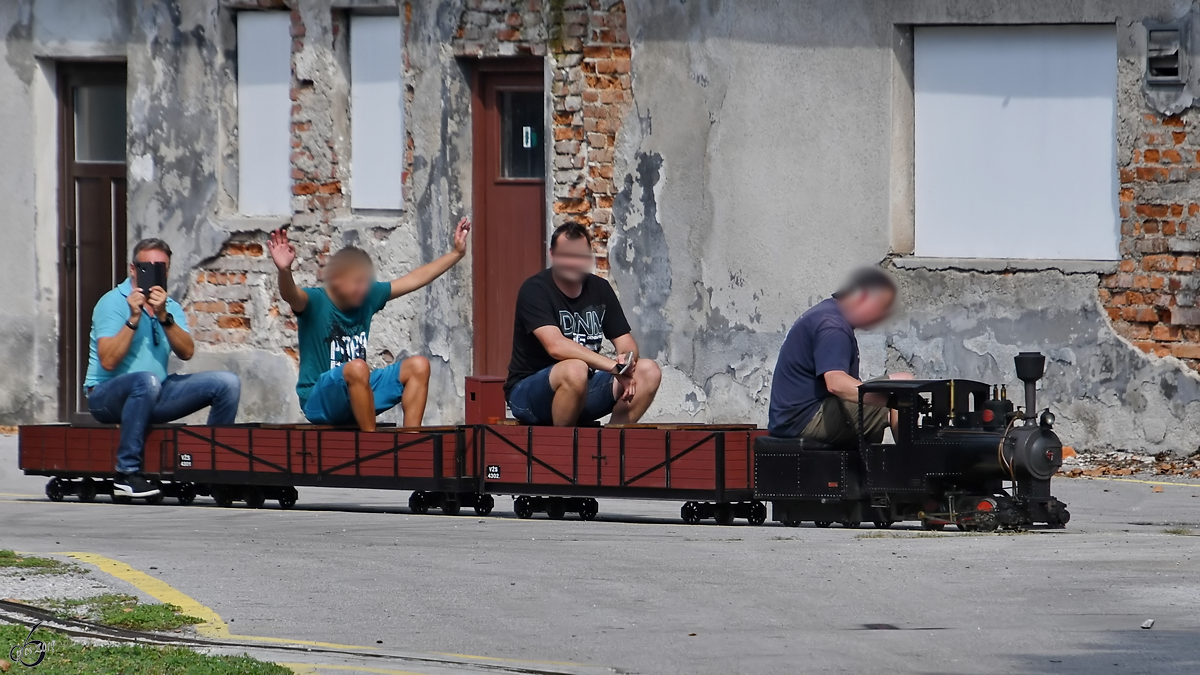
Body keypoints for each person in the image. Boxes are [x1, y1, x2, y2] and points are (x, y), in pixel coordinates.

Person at [268, 218, 470, 430]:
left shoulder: (367, 295)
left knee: (419, 366)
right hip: (319, 399)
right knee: (357, 368)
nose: (362, 290)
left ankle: (411, 441)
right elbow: (291, 294)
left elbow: (414, 279)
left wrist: (456, 254)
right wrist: (284, 271)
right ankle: (371, 444)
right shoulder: (316, 301)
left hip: (357, 390)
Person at [85, 239, 242, 498]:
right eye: (146, 267)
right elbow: (108, 361)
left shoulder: (170, 307)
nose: (152, 272)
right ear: (133, 269)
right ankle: (126, 474)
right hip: (105, 396)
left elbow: (186, 352)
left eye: (160, 267)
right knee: (146, 381)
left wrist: (162, 316)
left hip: (154, 392)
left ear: (167, 271)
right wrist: (133, 318)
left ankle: (211, 470)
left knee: (228, 383)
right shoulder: (112, 302)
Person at [505, 223, 662, 427]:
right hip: (530, 394)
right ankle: (564, 444)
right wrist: (613, 367)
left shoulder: (600, 289)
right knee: (575, 369)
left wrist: (626, 361)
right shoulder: (535, 290)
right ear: (552, 255)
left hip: (583, 386)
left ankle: (612, 441)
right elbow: (556, 346)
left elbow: (626, 342)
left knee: (649, 371)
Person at [768, 267, 912, 444]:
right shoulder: (833, 326)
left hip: (793, 418)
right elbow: (836, 383)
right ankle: (911, 459)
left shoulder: (827, 313)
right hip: (803, 420)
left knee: (896, 388)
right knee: (902, 387)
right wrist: (891, 400)